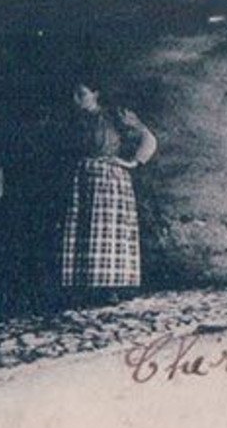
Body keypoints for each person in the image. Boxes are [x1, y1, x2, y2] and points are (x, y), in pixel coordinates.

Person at [58, 81, 157, 307]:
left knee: (107, 231)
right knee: (82, 231)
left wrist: (132, 162)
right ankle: (84, 286)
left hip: (109, 181)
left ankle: (110, 288)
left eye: (81, 94)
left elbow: (147, 137)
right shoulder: (75, 121)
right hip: (82, 179)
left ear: (96, 94)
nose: (76, 99)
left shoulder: (115, 117)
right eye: (74, 94)